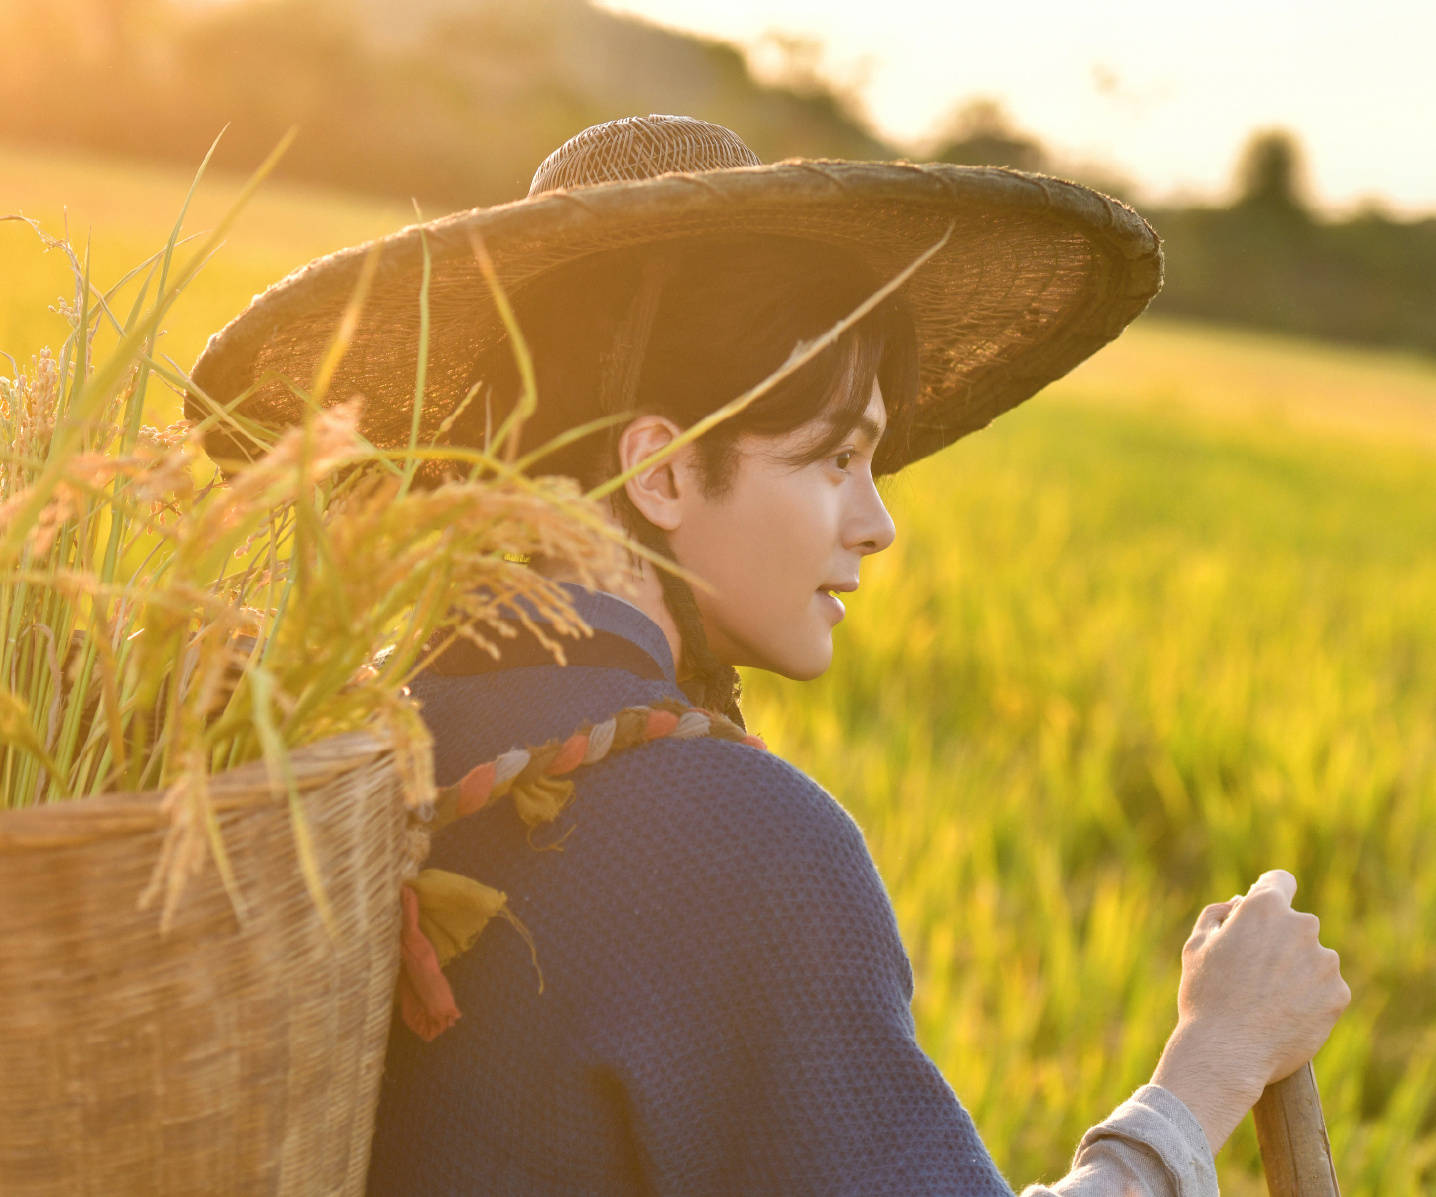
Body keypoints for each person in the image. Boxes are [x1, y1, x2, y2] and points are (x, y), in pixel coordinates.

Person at [190, 115, 1350, 1195]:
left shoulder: (351, 745)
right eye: (834, 458)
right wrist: (1211, 1064)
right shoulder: (736, 845)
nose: (875, 521)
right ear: (663, 468)